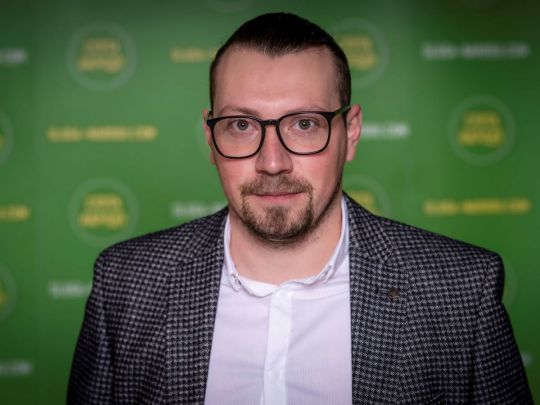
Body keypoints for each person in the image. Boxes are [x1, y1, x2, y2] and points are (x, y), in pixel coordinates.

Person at [68, 12, 532, 404]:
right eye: (242, 125)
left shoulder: (461, 293)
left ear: (351, 133)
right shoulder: (126, 286)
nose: (273, 162)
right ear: (211, 137)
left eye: (305, 124)